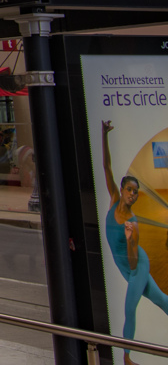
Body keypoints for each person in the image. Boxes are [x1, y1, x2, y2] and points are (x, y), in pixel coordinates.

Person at [102, 120, 168, 363]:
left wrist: (130, 241)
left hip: (137, 265)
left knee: (130, 308)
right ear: (122, 189)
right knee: (162, 300)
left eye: (135, 192)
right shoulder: (113, 199)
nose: (132, 194)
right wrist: (103, 135)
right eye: (129, 189)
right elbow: (106, 166)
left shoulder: (133, 222)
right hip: (128, 266)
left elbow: (132, 263)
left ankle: (126, 358)